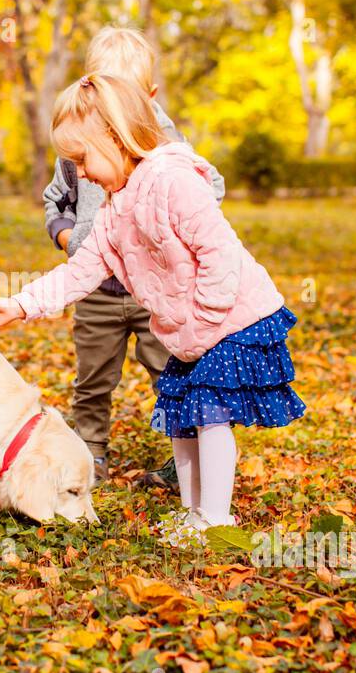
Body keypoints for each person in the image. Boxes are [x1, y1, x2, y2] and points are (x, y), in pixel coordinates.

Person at [0, 74, 304, 547]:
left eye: (81, 159)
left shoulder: (173, 182)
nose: (79, 174)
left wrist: (201, 322)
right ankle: (192, 513)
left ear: (116, 135)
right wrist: (17, 305)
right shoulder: (115, 207)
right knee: (183, 417)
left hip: (231, 320)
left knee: (210, 416)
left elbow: (220, 255)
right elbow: (78, 272)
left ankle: (216, 520)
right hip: (191, 331)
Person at [41, 26, 224, 485]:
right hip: (96, 288)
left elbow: (209, 186)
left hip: (156, 290)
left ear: (148, 96)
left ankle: (188, 460)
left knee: (173, 368)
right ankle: (90, 452)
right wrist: (69, 239)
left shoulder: (163, 142)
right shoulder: (78, 147)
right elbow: (54, 201)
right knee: (93, 374)